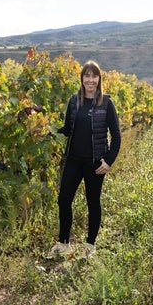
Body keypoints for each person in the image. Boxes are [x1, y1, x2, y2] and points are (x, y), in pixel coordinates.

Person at [47, 60, 121, 259]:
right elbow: (67, 129)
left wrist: (109, 161)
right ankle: (63, 243)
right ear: (82, 78)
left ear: (99, 79)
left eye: (94, 76)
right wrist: (50, 131)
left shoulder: (106, 103)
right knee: (64, 200)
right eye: (86, 76)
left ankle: (89, 245)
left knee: (93, 202)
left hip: (95, 162)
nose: (90, 80)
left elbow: (116, 135)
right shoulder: (74, 101)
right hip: (73, 160)